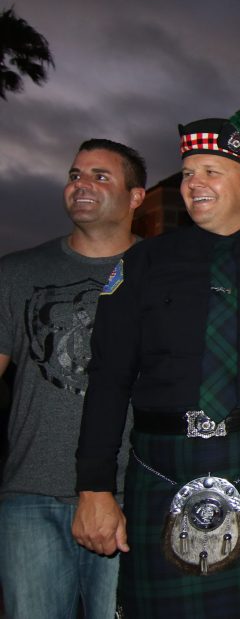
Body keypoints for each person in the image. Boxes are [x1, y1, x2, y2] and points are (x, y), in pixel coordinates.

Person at [72, 109, 240, 617]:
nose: (195, 184)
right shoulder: (142, 263)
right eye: (189, 173)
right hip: (160, 463)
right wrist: (94, 486)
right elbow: (108, 378)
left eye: (212, 171)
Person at [0, 139, 145, 618]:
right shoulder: (18, 273)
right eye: (76, 175)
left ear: (136, 197)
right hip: (31, 496)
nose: (81, 185)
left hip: (133, 497)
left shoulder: (162, 274)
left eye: (100, 176)